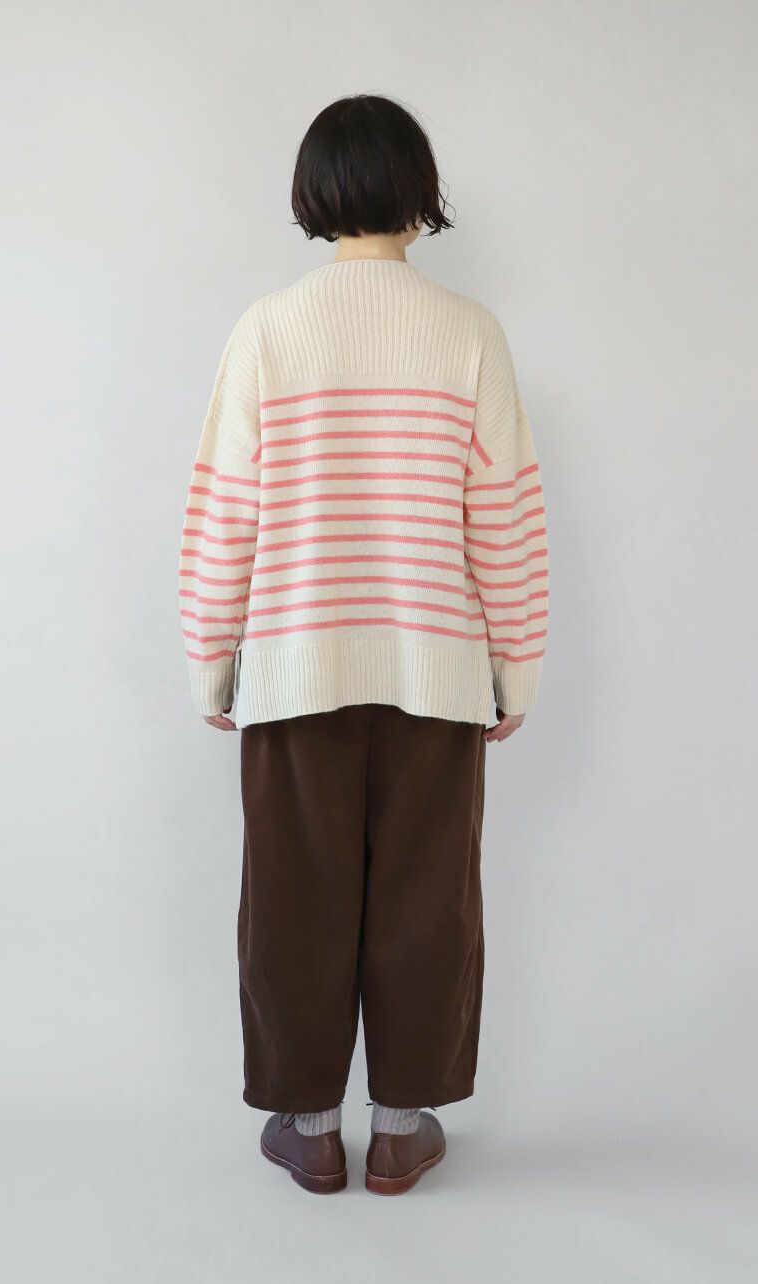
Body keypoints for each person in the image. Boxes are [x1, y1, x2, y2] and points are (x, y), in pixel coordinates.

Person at [179, 94, 549, 1195]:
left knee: (293, 901)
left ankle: (305, 1127)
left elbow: (224, 510)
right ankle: (398, 1126)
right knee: (426, 901)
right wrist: (516, 665)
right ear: (417, 192)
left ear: (315, 193)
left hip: (294, 668)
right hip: (436, 669)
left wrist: (211, 657)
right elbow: (505, 515)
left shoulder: (266, 330)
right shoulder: (469, 332)